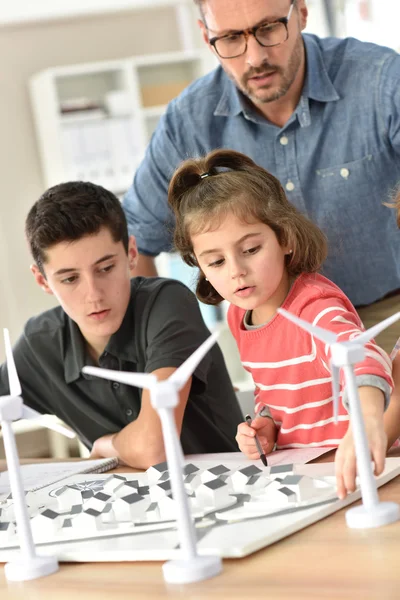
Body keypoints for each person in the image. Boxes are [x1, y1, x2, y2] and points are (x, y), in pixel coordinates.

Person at [122, 0, 400, 351]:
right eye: (231, 38)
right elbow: (134, 241)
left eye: (269, 29)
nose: (254, 58)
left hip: (386, 320)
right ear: (206, 35)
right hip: (269, 331)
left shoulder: (382, 80)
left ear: (300, 13)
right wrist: (169, 351)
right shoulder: (188, 121)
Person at [167, 147, 400, 499]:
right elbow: (275, 394)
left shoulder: (315, 305)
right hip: (304, 478)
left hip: (353, 475)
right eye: (215, 262)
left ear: (285, 239)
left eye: (250, 250)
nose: (236, 271)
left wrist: (367, 421)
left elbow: (363, 358)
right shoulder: (238, 316)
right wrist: (267, 426)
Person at [0, 181, 243, 469]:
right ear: (42, 280)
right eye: (70, 279)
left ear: (130, 253)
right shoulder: (40, 343)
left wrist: (107, 445)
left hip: (231, 496)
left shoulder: (167, 303)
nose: (94, 295)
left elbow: (155, 446)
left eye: (105, 269)